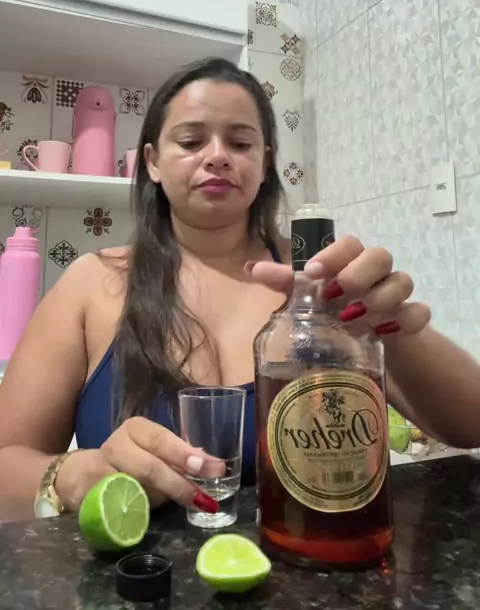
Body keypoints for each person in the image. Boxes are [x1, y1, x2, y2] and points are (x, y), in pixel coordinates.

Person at [0, 57, 479, 523]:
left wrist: (391, 328)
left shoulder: (320, 284)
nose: (217, 156)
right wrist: (70, 475)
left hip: (307, 559)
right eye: (191, 141)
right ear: (152, 162)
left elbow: (471, 425)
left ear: (266, 163)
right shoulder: (89, 283)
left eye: (241, 142)